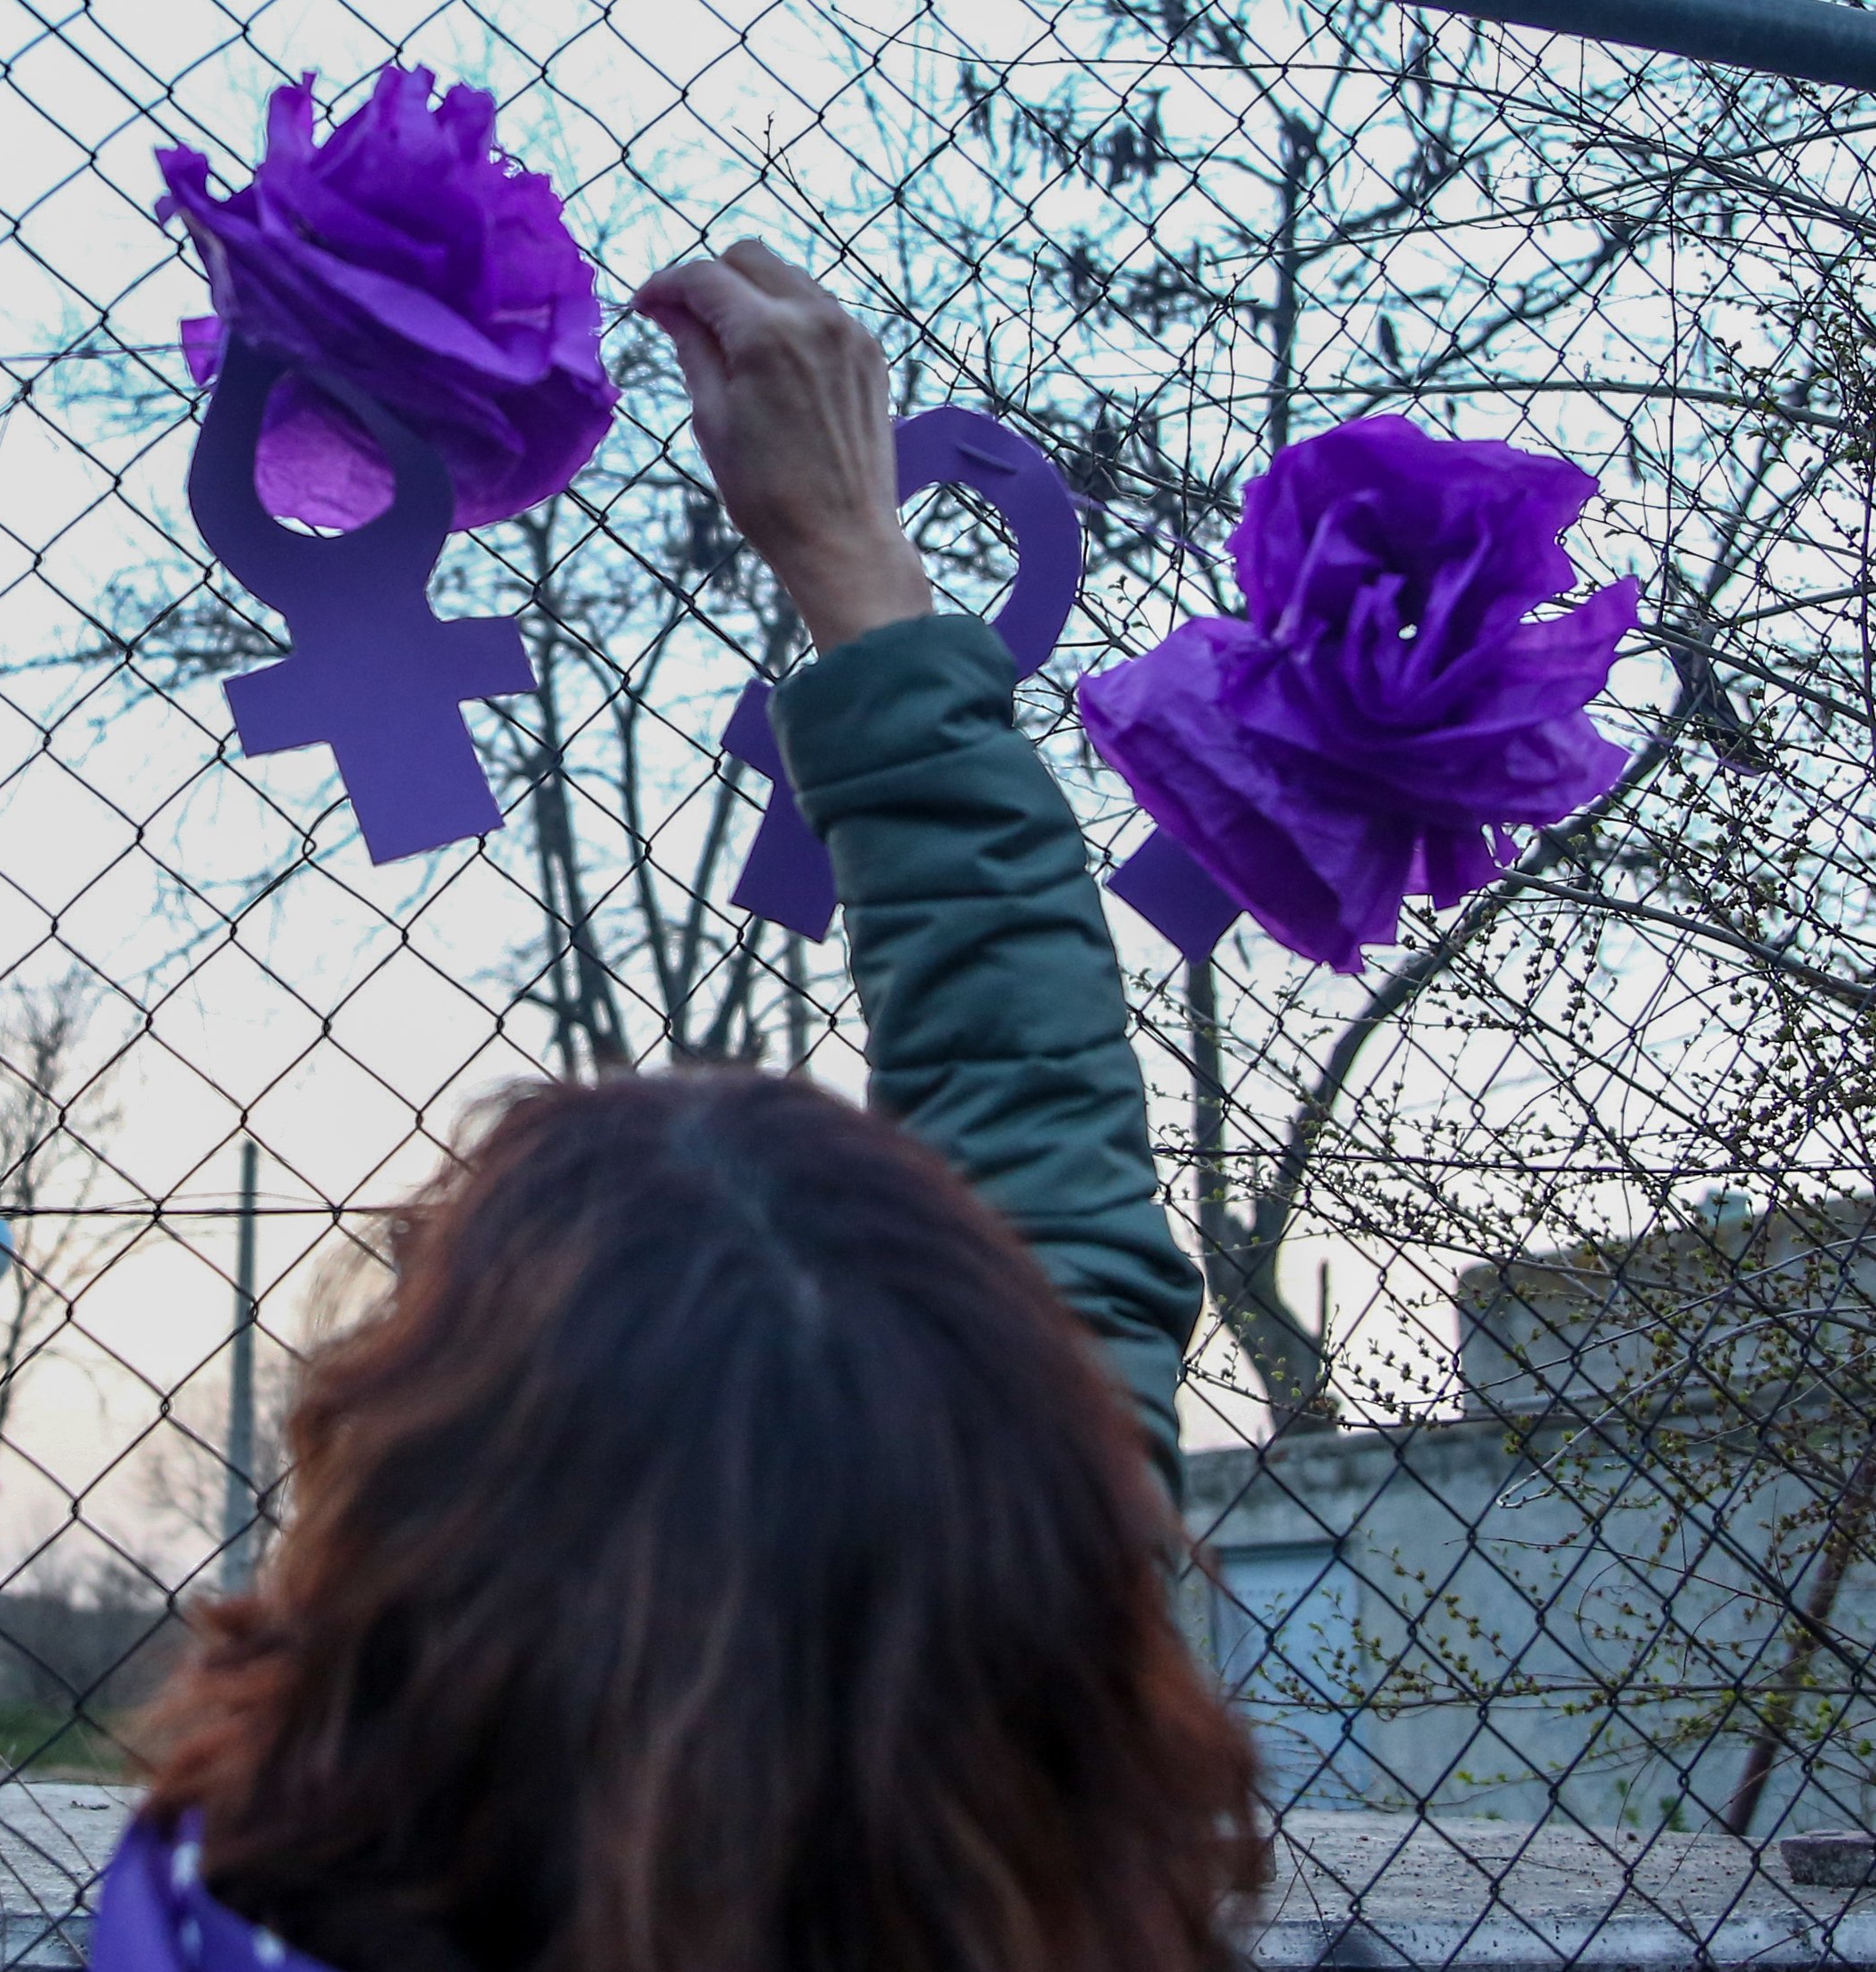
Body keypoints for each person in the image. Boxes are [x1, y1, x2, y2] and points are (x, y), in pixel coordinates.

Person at [91, 243, 1263, 1972]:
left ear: (411, 1552)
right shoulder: (1051, 1831)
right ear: (1022, 1521)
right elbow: (1046, 1152)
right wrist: (855, 562)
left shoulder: (221, 1923)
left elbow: (1051, 1196)